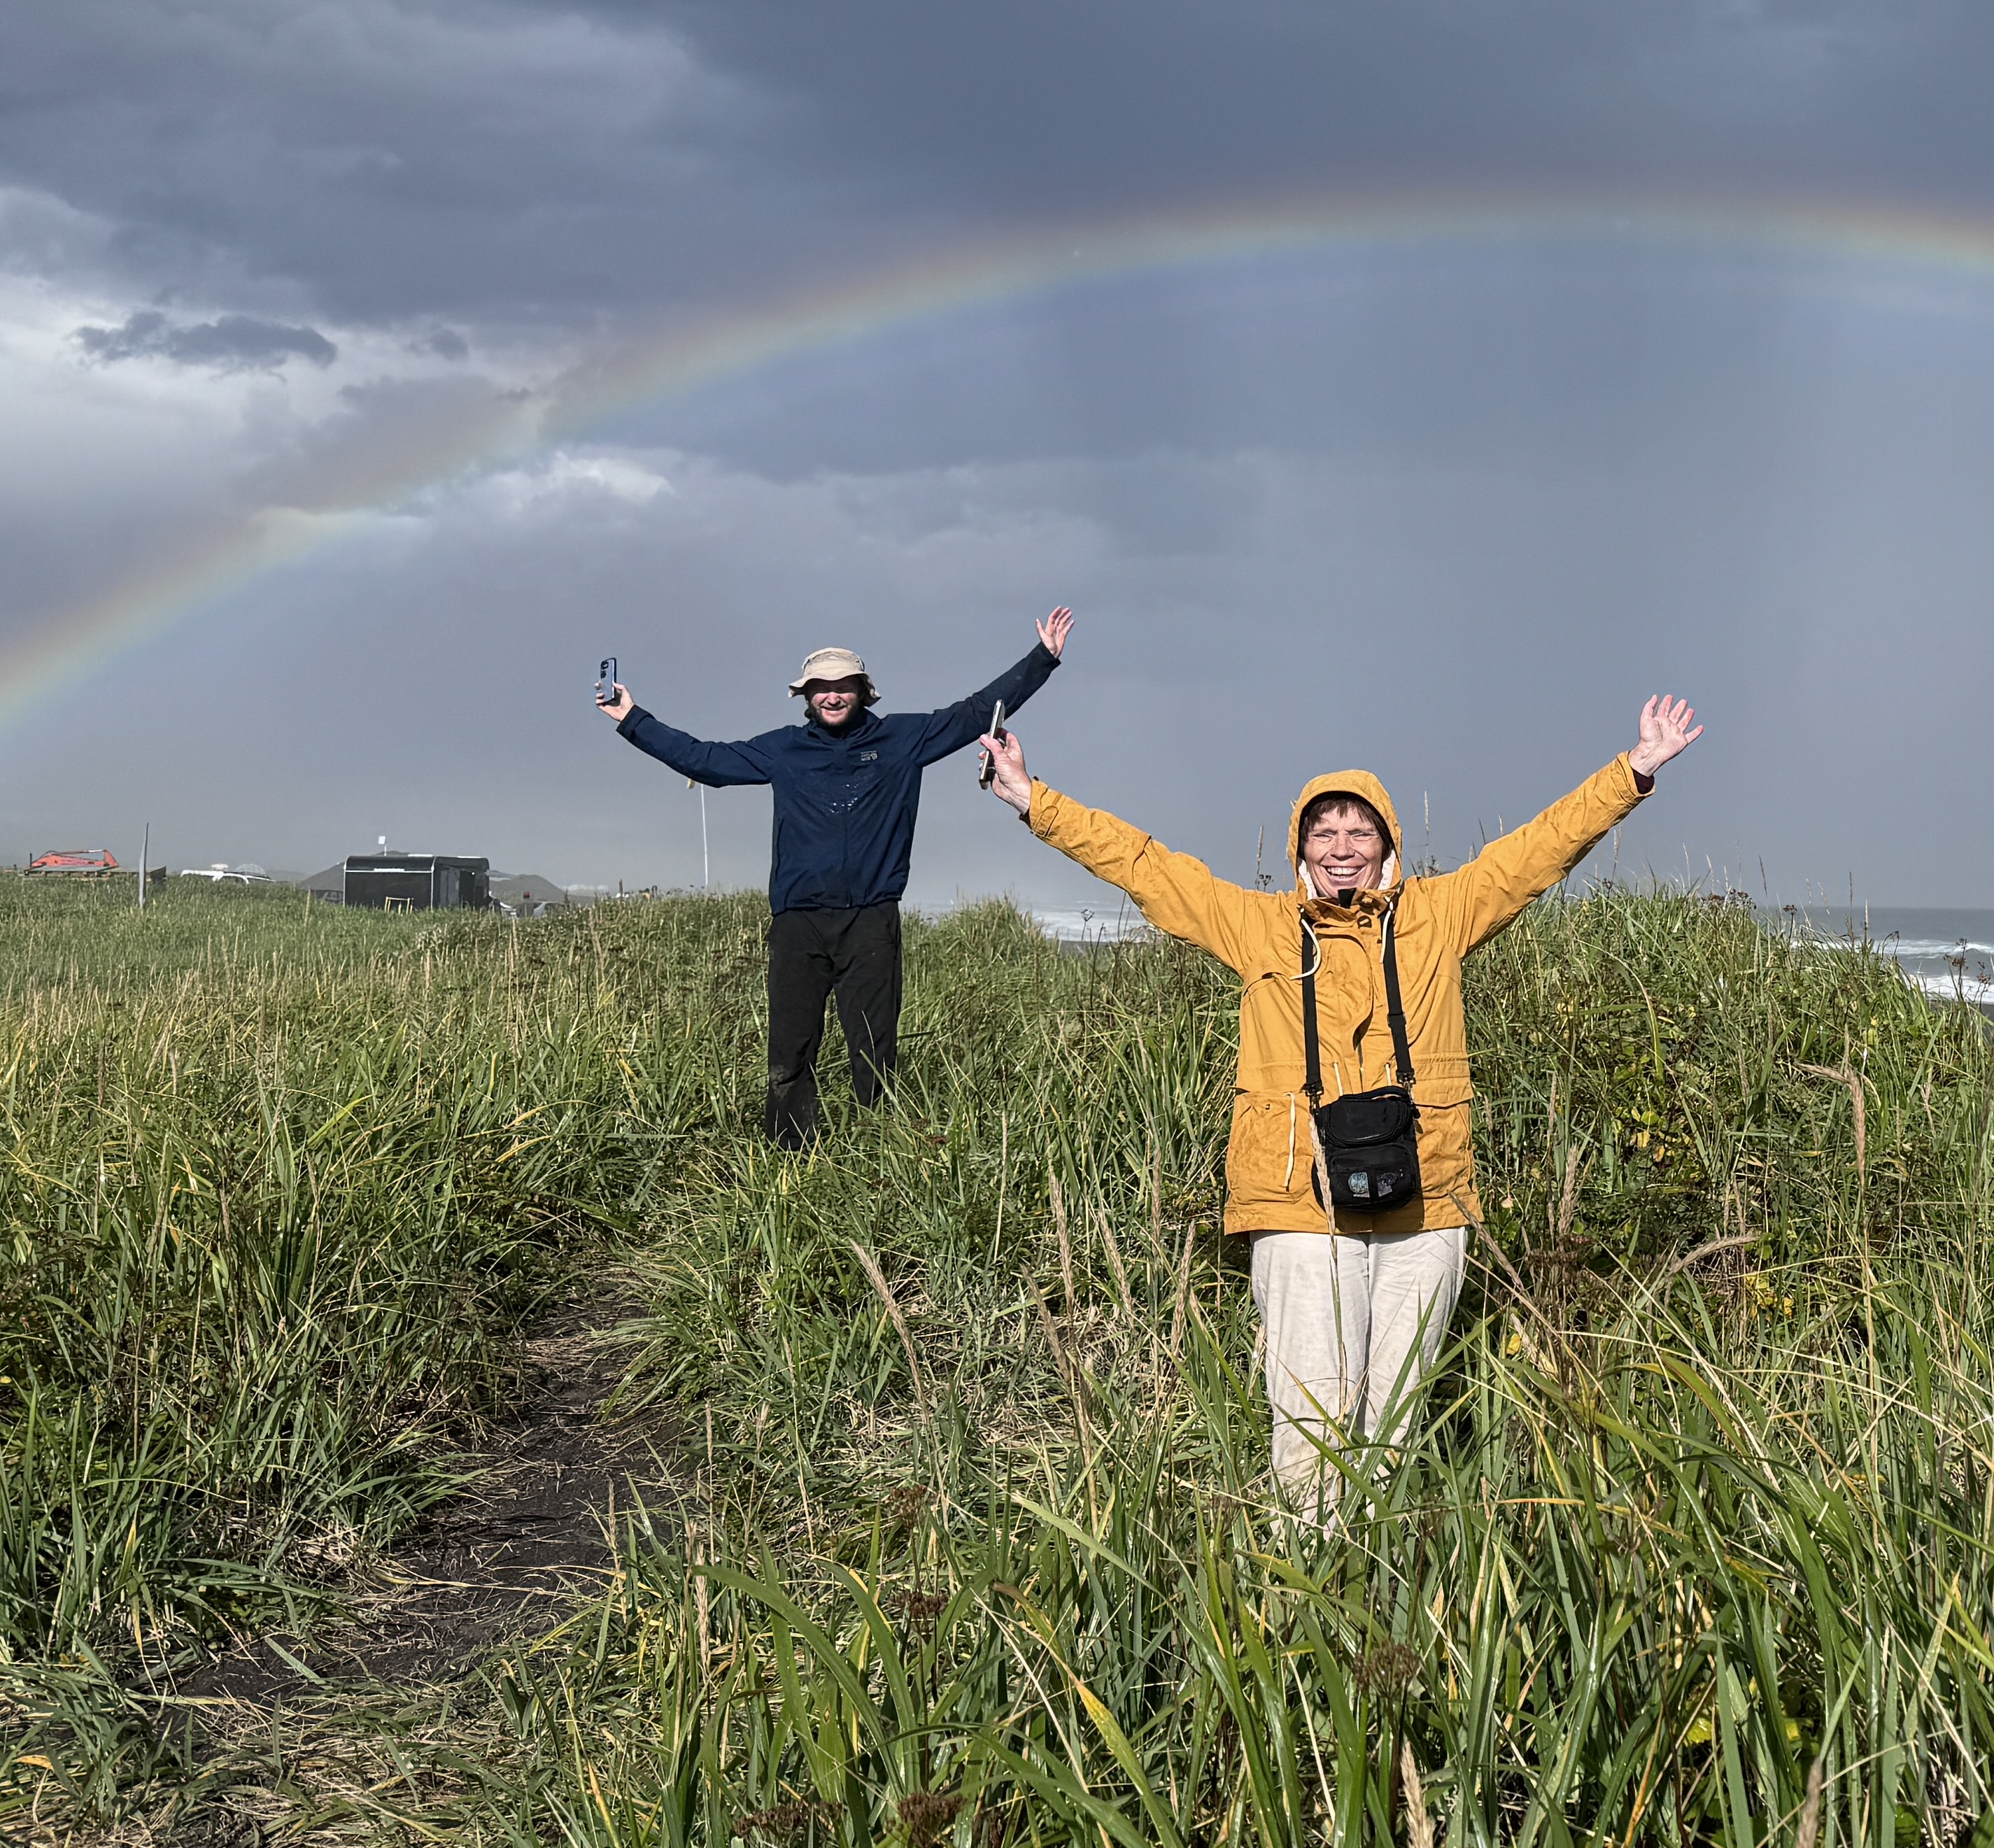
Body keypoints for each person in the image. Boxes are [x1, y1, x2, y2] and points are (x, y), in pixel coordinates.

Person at [975, 695, 1703, 1521]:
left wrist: (1633, 770)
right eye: (1324, 833)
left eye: (1361, 831)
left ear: (1389, 843)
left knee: (1393, 1420)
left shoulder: (1441, 915)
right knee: (1312, 1416)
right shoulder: (1257, 927)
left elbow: (1537, 852)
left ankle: (1377, 1585)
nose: (1343, 848)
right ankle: (1308, 1588)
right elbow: (1146, 866)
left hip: (1424, 1199)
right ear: (1301, 848)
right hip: (1296, 1200)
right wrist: (1037, 799)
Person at [597, 610, 1073, 1144]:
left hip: (870, 920)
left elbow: (974, 713)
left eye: (842, 686)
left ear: (863, 691)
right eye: (820, 688)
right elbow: (705, 760)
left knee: (874, 1049)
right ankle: (789, 1158)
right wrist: (631, 718)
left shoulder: (904, 739)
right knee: (791, 1048)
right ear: (805, 695)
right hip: (799, 922)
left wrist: (1042, 660)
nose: (831, 696)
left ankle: (876, 1155)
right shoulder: (783, 749)